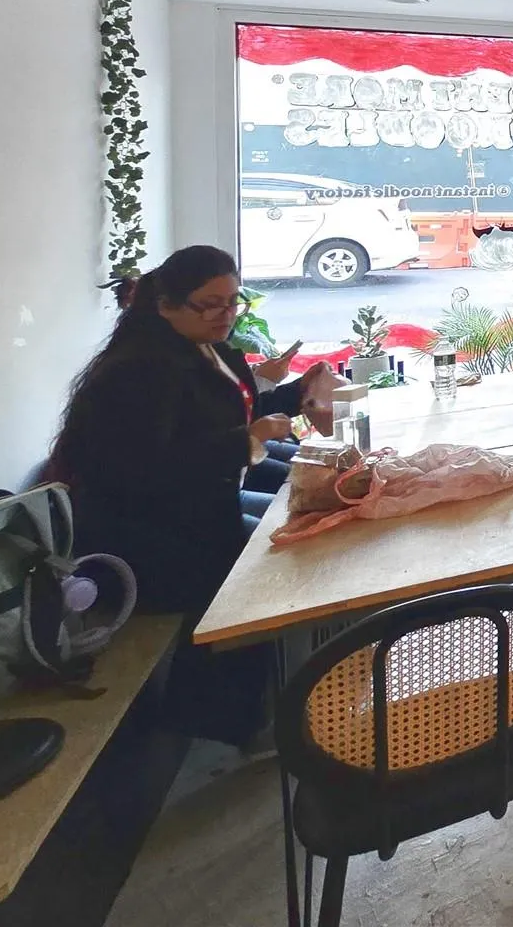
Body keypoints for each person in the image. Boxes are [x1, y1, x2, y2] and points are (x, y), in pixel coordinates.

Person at [46, 245, 337, 744]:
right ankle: (226, 716)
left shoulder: (205, 347)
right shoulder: (140, 373)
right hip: (144, 537)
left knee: (300, 528)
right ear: (165, 305)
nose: (225, 315)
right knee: (268, 567)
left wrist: (299, 395)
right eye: (210, 304)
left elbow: (228, 413)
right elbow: (143, 470)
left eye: (232, 301)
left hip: (196, 507)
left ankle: (280, 693)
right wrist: (251, 438)